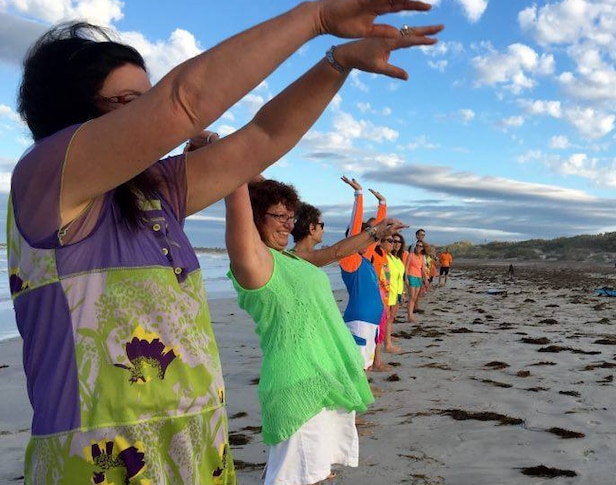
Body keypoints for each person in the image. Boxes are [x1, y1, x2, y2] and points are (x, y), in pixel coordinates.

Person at [7, 1, 441, 482]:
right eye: (127, 105)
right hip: (97, 458)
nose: (149, 123)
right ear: (69, 112)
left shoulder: (155, 192)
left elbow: (264, 135)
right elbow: (183, 102)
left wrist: (336, 64)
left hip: (196, 446)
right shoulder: (47, 178)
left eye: (145, 101)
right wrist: (315, 18)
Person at [226, 180, 394, 484]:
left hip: (325, 380)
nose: (289, 226)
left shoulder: (291, 258)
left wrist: (374, 232)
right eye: (280, 216)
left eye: (291, 218)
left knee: (315, 472)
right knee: (296, 476)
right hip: (297, 384)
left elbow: (337, 251)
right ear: (254, 217)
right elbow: (237, 185)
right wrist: (222, 154)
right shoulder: (254, 262)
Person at [339, 177, 390, 371]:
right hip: (359, 320)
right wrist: (358, 195)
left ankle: (364, 391)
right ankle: (357, 396)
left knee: (366, 363)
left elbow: (376, 232)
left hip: (371, 319)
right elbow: (354, 232)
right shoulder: (349, 259)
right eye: (364, 236)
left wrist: (382, 204)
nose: (368, 240)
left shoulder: (365, 258)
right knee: (358, 364)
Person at [404, 241, 426, 322]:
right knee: (412, 297)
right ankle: (410, 316)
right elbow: (406, 267)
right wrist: (406, 278)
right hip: (411, 276)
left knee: (415, 297)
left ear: (422, 248)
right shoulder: (411, 255)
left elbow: (423, 269)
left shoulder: (422, 257)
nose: (418, 247)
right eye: (417, 245)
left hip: (418, 278)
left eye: (420, 246)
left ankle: (411, 315)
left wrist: (425, 279)